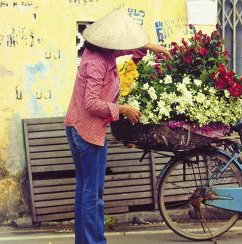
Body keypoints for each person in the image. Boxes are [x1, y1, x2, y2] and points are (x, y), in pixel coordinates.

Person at [64, 9, 171, 244]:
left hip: (78, 128)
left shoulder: (103, 53)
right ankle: (94, 242)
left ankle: (84, 242)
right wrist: (123, 109)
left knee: (85, 191)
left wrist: (152, 47)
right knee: (93, 194)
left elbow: (127, 50)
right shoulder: (96, 63)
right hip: (87, 132)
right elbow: (91, 103)